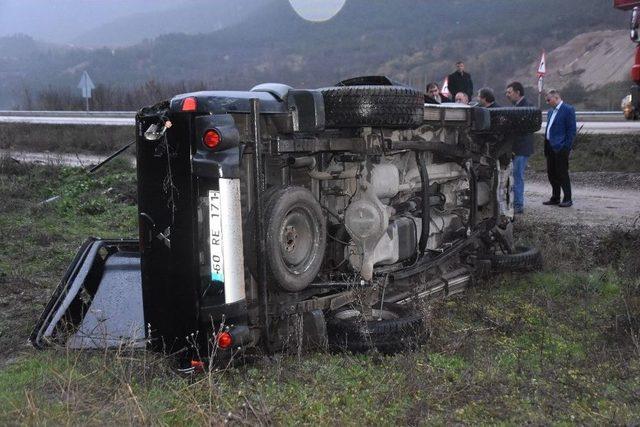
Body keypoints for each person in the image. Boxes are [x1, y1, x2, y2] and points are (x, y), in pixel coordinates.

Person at [543, 89, 576, 207]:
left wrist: (566, 147)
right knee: (551, 173)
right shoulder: (551, 111)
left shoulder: (568, 110)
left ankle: (568, 198)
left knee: (562, 173)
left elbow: (571, 130)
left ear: (556, 98)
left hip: (560, 147)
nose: (547, 102)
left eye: (548, 100)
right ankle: (555, 197)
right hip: (550, 147)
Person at [505, 81, 534, 214]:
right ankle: (516, 203)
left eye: (509, 92)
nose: (507, 95)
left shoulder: (526, 107)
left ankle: (518, 205)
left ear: (517, 93)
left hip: (522, 148)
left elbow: (523, 129)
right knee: (515, 176)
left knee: (518, 176)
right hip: (517, 148)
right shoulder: (517, 106)